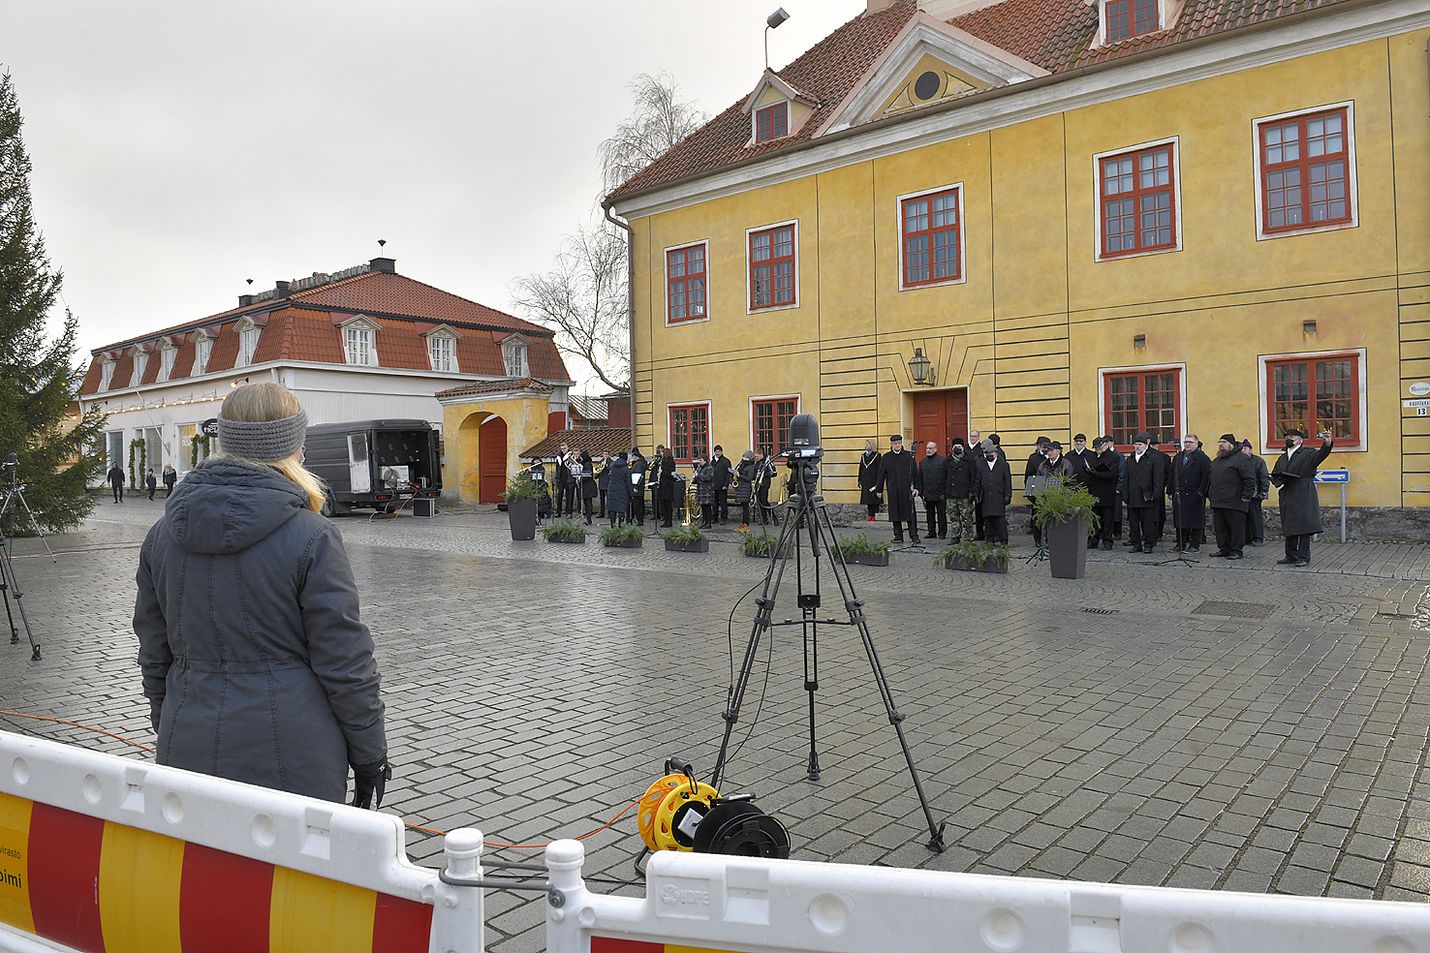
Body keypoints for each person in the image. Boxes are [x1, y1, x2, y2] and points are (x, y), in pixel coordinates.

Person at [133, 382, 388, 807]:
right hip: (295, 751)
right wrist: (370, 756)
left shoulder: (161, 535)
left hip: (188, 738)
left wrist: (170, 718)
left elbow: (154, 650)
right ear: (292, 446)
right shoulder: (313, 534)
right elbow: (345, 662)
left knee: (200, 870)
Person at [1271, 428, 1334, 566]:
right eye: (1287, 436)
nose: (1289, 438)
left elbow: (1321, 455)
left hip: (1303, 490)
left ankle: (1303, 556)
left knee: (1304, 524)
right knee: (1289, 523)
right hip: (1288, 492)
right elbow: (1277, 472)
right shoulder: (1282, 457)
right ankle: (1290, 555)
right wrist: (1276, 479)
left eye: (1292, 436)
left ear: (1300, 439)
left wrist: (1327, 443)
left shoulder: (1308, 453)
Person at [1207, 434, 1257, 559]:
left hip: (1235, 501)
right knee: (1221, 528)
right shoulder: (1218, 460)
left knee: (1236, 528)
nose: (1221, 444)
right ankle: (1224, 548)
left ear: (1231, 444)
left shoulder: (1241, 459)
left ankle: (1236, 550)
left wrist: (1246, 497)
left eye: (1224, 442)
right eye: (1219, 442)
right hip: (1218, 500)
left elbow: (1250, 479)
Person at [1121, 432, 1167, 554]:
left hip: (1148, 496)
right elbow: (1125, 478)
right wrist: (1125, 494)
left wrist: (1155, 495)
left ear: (1146, 445)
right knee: (1133, 523)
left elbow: (1158, 479)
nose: (1137, 447)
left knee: (1148, 523)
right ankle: (1136, 544)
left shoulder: (1154, 459)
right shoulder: (1130, 459)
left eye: (1140, 444)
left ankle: (1148, 544)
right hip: (1133, 496)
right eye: (1135, 444)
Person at [1168, 434, 1211, 554]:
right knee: (1180, 520)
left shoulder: (1202, 458)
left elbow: (1206, 477)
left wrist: (1201, 492)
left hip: (1194, 494)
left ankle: (1194, 544)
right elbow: (1172, 474)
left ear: (1196, 444)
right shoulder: (1178, 457)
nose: (1187, 444)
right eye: (1186, 442)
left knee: (1195, 520)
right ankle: (1180, 543)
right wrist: (1170, 490)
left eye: (1190, 442)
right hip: (1179, 493)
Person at [878, 435, 919, 544]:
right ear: (891, 444)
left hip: (906, 490)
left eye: (899, 443)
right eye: (895, 443)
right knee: (895, 513)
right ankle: (898, 536)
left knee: (910, 514)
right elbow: (881, 474)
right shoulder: (886, 457)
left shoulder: (908, 456)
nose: (897, 445)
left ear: (901, 443)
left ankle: (914, 536)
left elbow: (915, 473)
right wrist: (879, 489)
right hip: (893, 489)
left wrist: (917, 488)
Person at [1083, 437, 1120, 550]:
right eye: (1096, 449)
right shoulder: (1092, 456)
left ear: (1105, 445)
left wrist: (1095, 473)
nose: (1098, 451)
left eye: (1099, 448)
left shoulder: (1113, 457)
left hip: (1107, 492)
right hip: (1094, 491)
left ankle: (1107, 540)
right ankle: (1094, 539)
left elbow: (1112, 474)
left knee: (1107, 519)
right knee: (1094, 518)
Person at [974, 440, 1013, 544]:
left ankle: (1003, 540)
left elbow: (1008, 481)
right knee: (987, 520)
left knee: (1000, 520)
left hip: (998, 495)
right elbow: (978, 480)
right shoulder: (981, 465)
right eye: (987, 454)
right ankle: (989, 540)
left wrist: (1008, 495)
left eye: (991, 453)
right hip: (986, 496)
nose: (989, 455)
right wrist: (976, 494)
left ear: (996, 454)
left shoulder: (1003, 464)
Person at [945, 439, 976, 543]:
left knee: (967, 517)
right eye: (955, 446)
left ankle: (968, 537)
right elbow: (944, 477)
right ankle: (955, 536)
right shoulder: (948, 461)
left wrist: (972, 491)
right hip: (951, 494)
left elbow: (973, 477)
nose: (957, 448)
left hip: (964, 494)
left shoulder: (969, 460)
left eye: (959, 446)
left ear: (963, 447)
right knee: (953, 517)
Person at [917, 441, 948, 540]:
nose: (928, 450)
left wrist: (944, 492)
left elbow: (946, 477)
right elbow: (920, 478)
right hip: (928, 492)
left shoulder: (942, 461)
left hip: (940, 493)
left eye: (930, 448)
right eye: (927, 448)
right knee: (929, 515)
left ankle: (942, 532)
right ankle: (931, 532)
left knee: (941, 514)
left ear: (935, 449)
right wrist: (921, 492)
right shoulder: (922, 462)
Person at [1242, 439, 1270, 546]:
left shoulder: (1258, 461)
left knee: (1255, 516)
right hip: (1244, 493)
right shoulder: (1240, 461)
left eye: (1245, 448)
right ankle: (1246, 538)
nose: (1243, 451)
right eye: (1242, 448)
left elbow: (1264, 477)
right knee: (1244, 516)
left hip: (1255, 493)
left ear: (1250, 450)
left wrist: (1263, 491)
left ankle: (1258, 537)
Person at [858, 440, 882, 521]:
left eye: (867, 444)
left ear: (871, 445)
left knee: (874, 499)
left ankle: (875, 515)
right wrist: (859, 480)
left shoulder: (877, 455)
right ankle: (870, 514)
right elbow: (861, 468)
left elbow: (880, 469)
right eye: (866, 444)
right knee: (867, 499)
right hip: (866, 480)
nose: (866, 445)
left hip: (874, 480)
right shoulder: (863, 456)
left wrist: (879, 481)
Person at [605, 452, 631, 525]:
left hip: (612, 489)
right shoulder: (626, 469)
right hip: (622, 490)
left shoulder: (612, 466)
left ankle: (612, 526)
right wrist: (631, 492)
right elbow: (628, 482)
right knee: (621, 509)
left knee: (613, 509)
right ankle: (620, 526)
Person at [654, 445, 677, 527]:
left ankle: (668, 521)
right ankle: (666, 520)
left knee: (668, 505)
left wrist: (661, 472)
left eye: (662, 452)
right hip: (663, 485)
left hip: (667, 486)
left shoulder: (671, 462)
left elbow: (671, 475)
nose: (661, 454)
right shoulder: (663, 461)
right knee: (663, 504)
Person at [710, 446, 733, 523]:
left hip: (722, 486)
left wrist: (726, 485)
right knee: (714, 503)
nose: (717, 453)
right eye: (716, 451)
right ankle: (714, 518)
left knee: (723, 503)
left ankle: (724, 518)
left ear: (722, 452)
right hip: (714, 486)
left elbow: (729, 474)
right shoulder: (712, 461)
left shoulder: (726, 461)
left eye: (719, 451)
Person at [692, 456, 716, 528]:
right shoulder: (700, 468)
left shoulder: (709, 468)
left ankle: (708, 523)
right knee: (703, 507)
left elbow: (708, 478)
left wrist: (698, 476)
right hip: (701, 491)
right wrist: (695, 479)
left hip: (707, 491)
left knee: (707, 507)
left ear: (705, 460)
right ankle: (704, 522)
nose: (699, 462)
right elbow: (699, 479)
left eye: (701, 460)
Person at [735, 451, 756, 531]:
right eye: (743, 456)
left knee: (745, 508)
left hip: (746, 488)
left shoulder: (751, 467)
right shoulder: (742, 465)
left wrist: (740, 475)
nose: (743, 458)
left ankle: (746, 524)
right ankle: (743, 523)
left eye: (745, 457)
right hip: (741, 488)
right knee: (743, 507)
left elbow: (749, 478)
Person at [753, 452, 777, 525]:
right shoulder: (757, 464)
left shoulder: (767, 462)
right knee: (760, 502)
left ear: (761, 455)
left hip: (765, 484)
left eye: (757, 456)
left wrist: (765, 474)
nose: (755, 458)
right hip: (758, 484)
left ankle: (774, 518)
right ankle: (764, 519)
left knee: (764, 502)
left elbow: (774, 473)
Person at [553, 443, 575, 517]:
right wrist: (557, 477)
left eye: (564, 448)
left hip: (569, 478)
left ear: (567, 447)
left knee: (569, 496)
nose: (563, 450)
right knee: (559, 496)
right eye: (562, 448)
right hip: (561, 478)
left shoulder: (571, 455)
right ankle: (558, 511)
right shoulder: (558, 456)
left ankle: (569, 512)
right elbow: (557, 467)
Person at [628, 447, 648, 526]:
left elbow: (637, 476)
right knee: (638, 504)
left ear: (636, 457)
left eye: (632, 457)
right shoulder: (640, 463)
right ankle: (639, 519)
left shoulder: (638, 465)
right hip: (639, 487)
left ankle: (639, 520)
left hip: (637, 488)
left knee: (637, 505)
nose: (631, 458)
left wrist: (635, 487)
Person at [577, 450, 597, 525]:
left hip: (588, 486)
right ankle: (588, 519)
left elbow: (588, 475)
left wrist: (580, 478)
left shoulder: (588, 464)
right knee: (586, 503)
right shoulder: (585, 463)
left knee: (588, 503)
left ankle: (589, 519)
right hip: (586, 486)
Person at [594, 453, 610, 520]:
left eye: (606, 454)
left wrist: (606, 465)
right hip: (601, 483)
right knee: (602, 499)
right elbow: (597, 473)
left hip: (608, 482)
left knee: (609, 499)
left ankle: (609, 513)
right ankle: (602, 513)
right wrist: (599, 467)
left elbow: (611, 470)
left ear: (609, 455)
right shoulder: (600, 461)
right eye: (604, 454)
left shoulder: (611, 462)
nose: (605, 456)